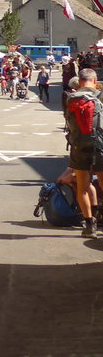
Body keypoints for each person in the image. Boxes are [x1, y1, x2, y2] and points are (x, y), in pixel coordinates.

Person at [64, 68, 103, 237]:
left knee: (83, 188)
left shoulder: (71, 98)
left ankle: (89, 225)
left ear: (80, 81)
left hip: (79, 147)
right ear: (94, 80)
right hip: (101, 146)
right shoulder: (101, 96)